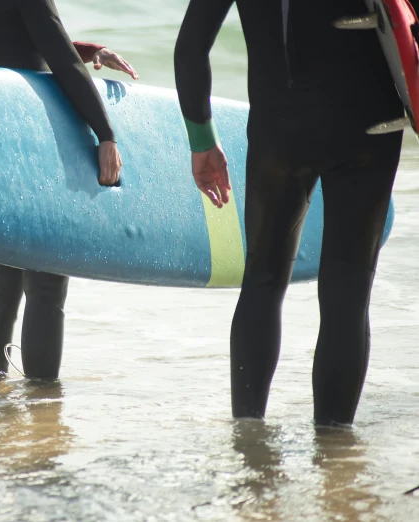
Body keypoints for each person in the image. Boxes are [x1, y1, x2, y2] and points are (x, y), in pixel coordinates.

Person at [174, 0, 406, 425]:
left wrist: (202, 139)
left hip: (279, 132)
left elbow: (189, 49)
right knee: (348, 296)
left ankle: (249, 439)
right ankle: (334, 457)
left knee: (262, 280)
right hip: (369, 130)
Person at [0, 0, 137, 380]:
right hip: (32, 143)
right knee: (47, 286)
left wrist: (86, 51)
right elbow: (61, 64)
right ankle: (43, 406)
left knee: (2, 280)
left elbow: (0, 44)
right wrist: (106, 134)